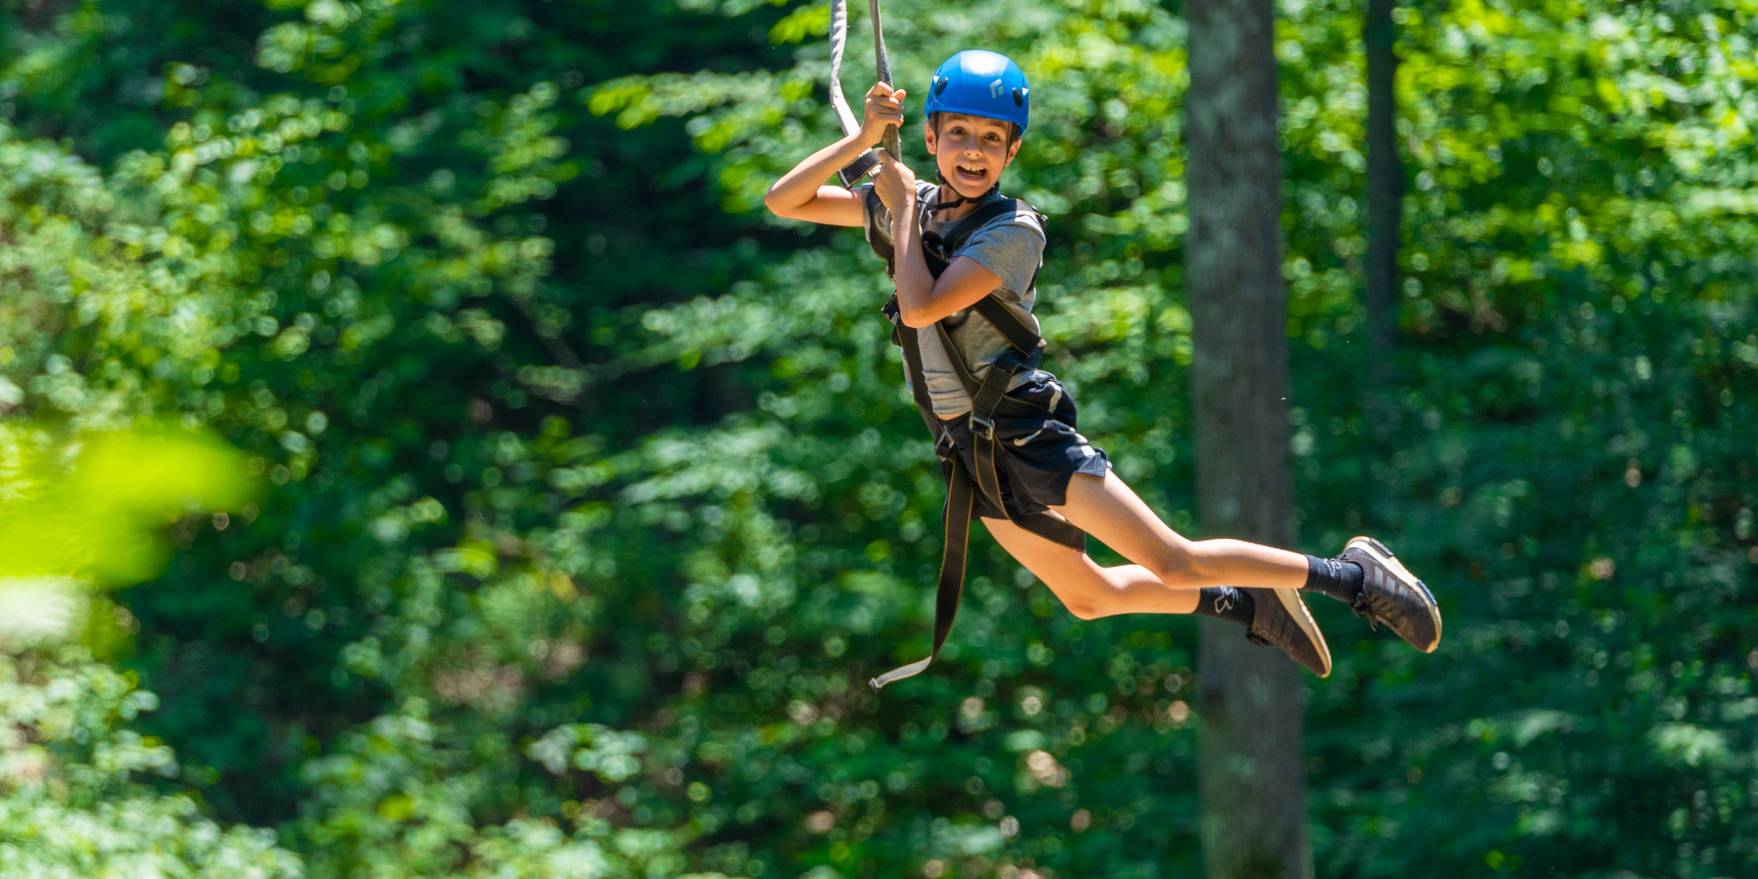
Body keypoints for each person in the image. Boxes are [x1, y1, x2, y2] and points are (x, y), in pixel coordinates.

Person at [764, 49, 1440, 688]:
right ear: (932, 138)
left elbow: (920, 308)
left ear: (1013, 150)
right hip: (971, 451)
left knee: (1172, 558)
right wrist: (864, 143)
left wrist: (904, 206)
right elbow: (785, 200)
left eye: (992, 139)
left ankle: (1353, 578)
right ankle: (1248, 604)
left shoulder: (1012, 232)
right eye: (960, 133)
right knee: (1087, 595)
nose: (974, 151)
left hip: (1026, 433)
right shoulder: (914, 209)